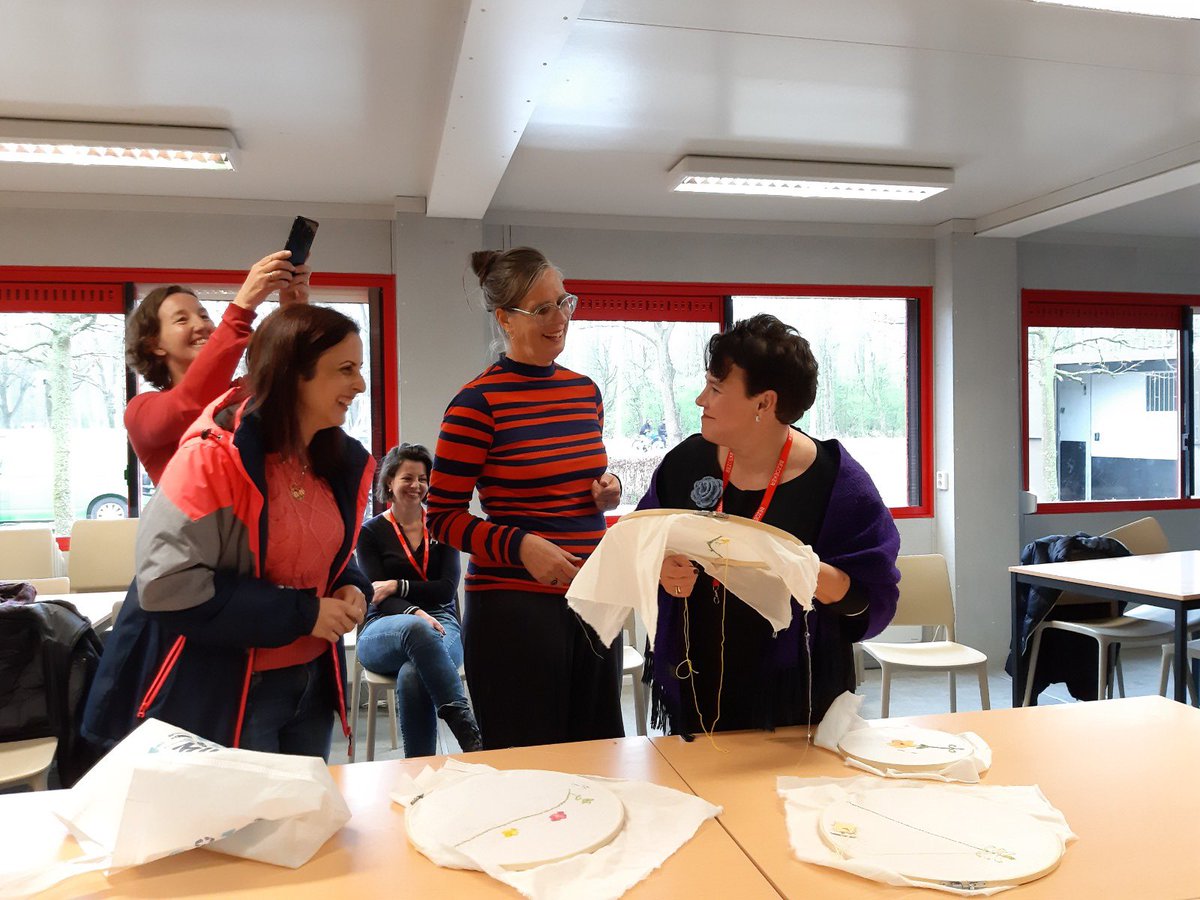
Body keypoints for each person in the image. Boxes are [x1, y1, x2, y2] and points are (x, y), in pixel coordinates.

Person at [83, 304, 373, 760]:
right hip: (229, 693)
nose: (359, 384)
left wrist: (349, 584)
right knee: (240, 829)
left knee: (303, 826)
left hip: (313, 682)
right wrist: (303, 614)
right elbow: (168, 584)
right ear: (294, 373)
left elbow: (327, 552)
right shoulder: (212, 458)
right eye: (345, 370)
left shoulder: (334, 461)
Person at [640, 313, 900, 735]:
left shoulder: (837, 482)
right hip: (698, 682)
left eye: (717, 388)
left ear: (765, 403)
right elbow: (641, 541)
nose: (700, 400)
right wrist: (660, 567)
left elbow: (870, 602)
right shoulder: (685, 463)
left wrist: (804, 571)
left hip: (799, 698)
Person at [426, 246, 624, 750]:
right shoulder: (476, 404)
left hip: (595, 598)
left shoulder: (586, 393)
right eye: (542, 309)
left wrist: (607, 491)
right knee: (529, 768)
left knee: (601, 758)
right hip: (516, 614)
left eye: (564, 302)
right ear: (505, 320)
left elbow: (584, 482)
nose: (560, 319)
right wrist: (521, 547)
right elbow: (442, 518)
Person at [124, 251, 310, 484]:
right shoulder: (140, 412)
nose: (201, 325)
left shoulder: (240, 395)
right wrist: (243, 307)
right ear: (155, 344)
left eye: (203, 316)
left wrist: (291, 313)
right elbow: (191, 402)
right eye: (182, 319)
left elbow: (287, 380)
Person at [355, 443, 482, 754]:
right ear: (389, 483)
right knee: (415, 628)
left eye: (423, 479)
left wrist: (399, 586)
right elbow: (376, 596)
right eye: (407, 478)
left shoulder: (441, 526)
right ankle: (467, 729)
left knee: (413, 673)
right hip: (384, 627)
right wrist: (413, 611)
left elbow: (445, 588)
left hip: (441, 620)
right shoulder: (370, 532)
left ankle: (419, 770)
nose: (416, 486)